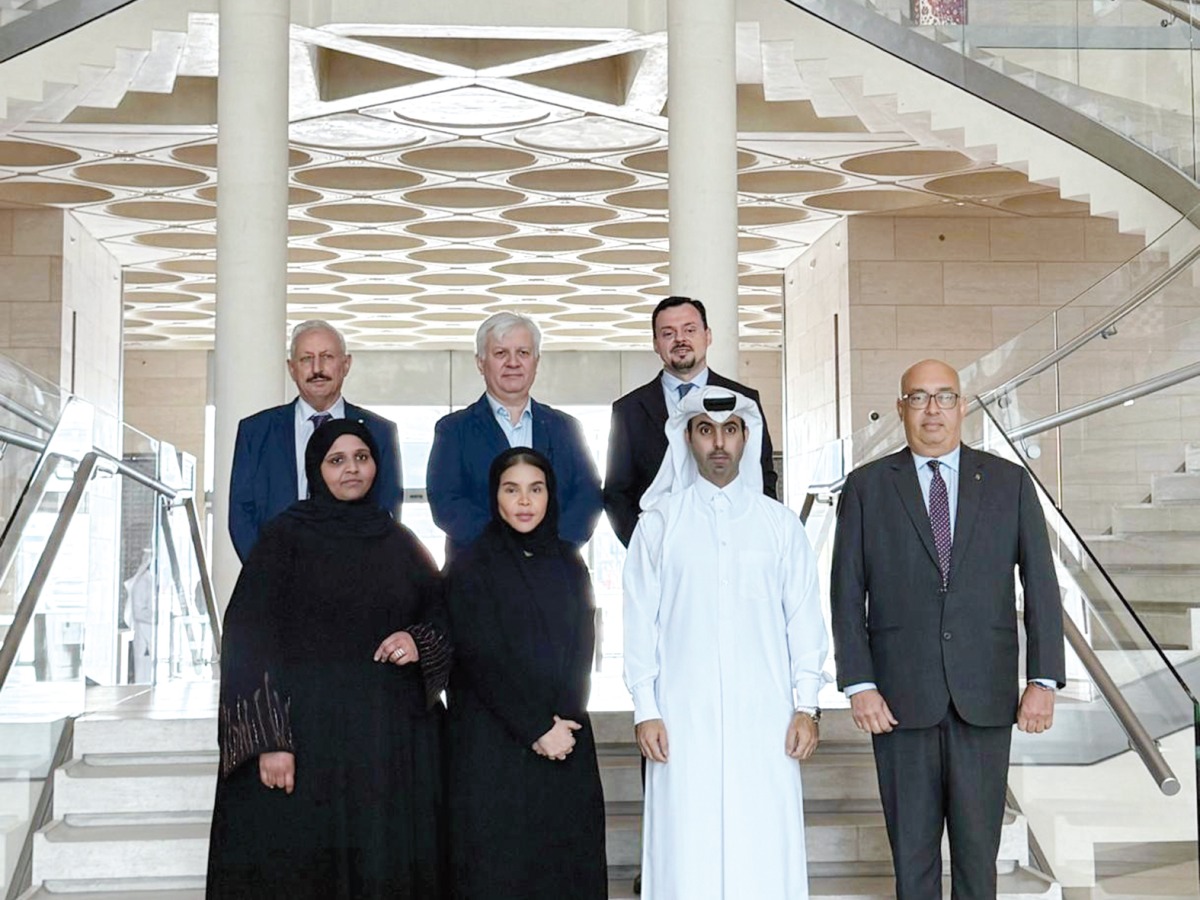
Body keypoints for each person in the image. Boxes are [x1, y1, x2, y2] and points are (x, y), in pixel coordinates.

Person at [830, 358, 1065, 900]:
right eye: (918, 397)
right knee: (911, 861)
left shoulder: (1010, 483)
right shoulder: (867, 487)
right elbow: (846, 592)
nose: (932, 410)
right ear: (900, 408)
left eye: (944, 397)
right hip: (897, 701)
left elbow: (1042, 585)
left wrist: (1043, 679)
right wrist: (858, 683)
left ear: (962, 407)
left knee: (977, 859)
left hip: (984, 697)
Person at [207, 419, 450, 899]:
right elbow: (247, 637)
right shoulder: (284, 539)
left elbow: (441, 616)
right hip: (305, 744)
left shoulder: (397, 541)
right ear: (316, 469)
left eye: (361, 458)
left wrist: (417, 641)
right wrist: (269, 739)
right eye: (336, 460)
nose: (351, 470)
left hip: (382, 750)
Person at [623, 386, 827, 900]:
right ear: (687, 438)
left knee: (764, 845)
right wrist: (645, 708)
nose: (719, 443)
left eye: (731, 430)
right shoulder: (658, 526)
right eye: (706, 430)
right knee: (682, 846)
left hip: (768, 720)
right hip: (679, 721)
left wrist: (808, 706)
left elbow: (805, 622)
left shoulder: (780, 527)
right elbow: (638, 623)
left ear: (747, 438)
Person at [446, 447, 607, 900]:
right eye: (511, 489)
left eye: (535, 489)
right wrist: (537, 727)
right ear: (494, 496)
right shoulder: (471, 567)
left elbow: (582, 646)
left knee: (566, 867)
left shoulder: (569, 562)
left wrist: (564, 720)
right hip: (496, 747)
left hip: (565, 740)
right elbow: (479, 658)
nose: (524, 501)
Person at [604, 295, 777, 548]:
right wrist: (646, 548)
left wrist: (755, 543)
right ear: (655, 343)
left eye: (690, 330)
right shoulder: (629, 410)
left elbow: (763, 477)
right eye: (668, 333)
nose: (680, 339)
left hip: (736, 548)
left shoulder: (743, 402)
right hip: (661, 553)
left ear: (708, 336)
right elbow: (617, 494)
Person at [427, 311, 602, 560]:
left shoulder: (565, 428)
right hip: (479, 574)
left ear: (536, 361)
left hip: (553, 570)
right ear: (480, 363)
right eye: (501, 353)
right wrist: (509, 548)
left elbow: (588, 496)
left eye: (523, 353)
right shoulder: (453, 430)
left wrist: (548, 547)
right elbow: (446, 502)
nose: (513, 362)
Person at [229, 320, 403, 562]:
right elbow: (241, 514)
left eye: (327, 357)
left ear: (346, 364)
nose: (317, 368)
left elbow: (388, 508)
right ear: (291, 369)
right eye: (306, 359)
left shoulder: (379, 431)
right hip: (277, 574)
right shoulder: (255, 431)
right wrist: (264, 573)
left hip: (356, 575)